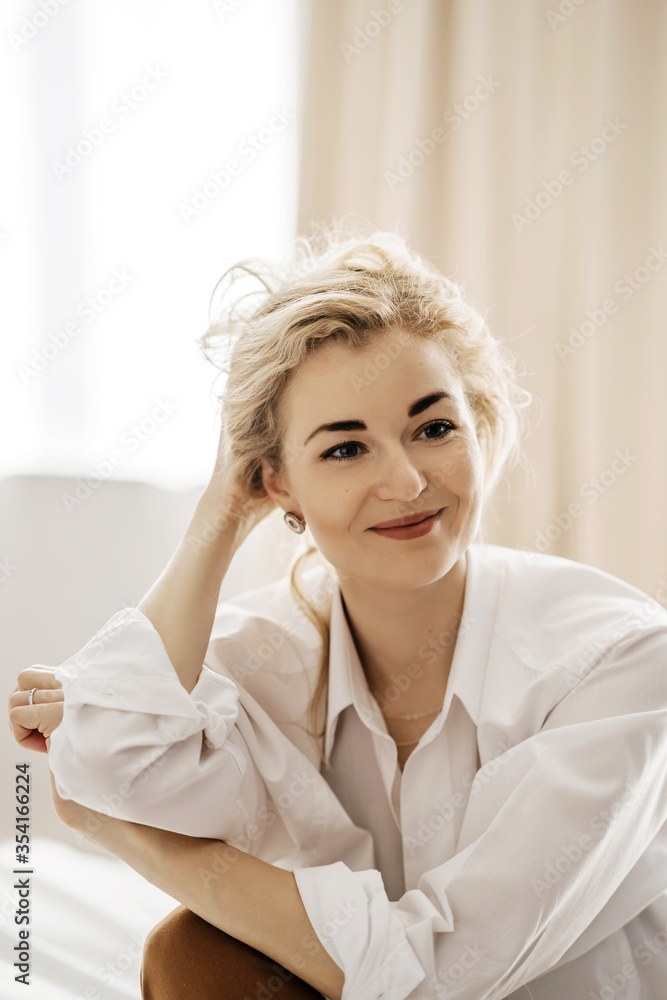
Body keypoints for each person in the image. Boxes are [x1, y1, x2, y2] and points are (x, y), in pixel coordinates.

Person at [8, 224, 667, 1000]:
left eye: (433, 428)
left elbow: (441, 972)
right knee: (194, 952)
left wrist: (148, 849)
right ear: (276, 484)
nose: (408, 482)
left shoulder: (620, 655)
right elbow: (110, 759)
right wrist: (218, 517)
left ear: (478, 428)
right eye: (344, 449)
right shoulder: (261, 655)